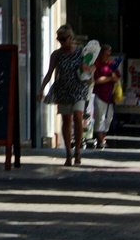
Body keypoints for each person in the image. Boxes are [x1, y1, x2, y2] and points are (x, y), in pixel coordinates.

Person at [40, 25, 90, 166]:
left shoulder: (81, 52)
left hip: (79, 88)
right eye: (59, 39)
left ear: (71, 38)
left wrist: (88, 68)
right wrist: (42, 89)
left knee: (78, 116)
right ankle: (68, 152)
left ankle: (78, 151)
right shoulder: (56, 54)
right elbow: (49, 73)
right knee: (66, 120)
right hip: (63, 89)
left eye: (63, 39)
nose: (61, 42)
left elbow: (93, 67)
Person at [91, 45, 120, 151]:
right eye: (105, 55)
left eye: (109, 55)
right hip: (99, 95)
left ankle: (104, 138)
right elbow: (97, 80)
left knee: (108, 119)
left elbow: (116, 78)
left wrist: (112, 77)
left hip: (110, 97)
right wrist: (109, 78)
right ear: (101, 54)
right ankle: (101, 140)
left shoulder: (111, 65)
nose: (107, 57)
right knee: (100, 118)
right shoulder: (96, 64)